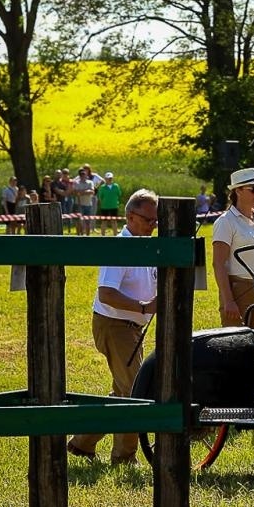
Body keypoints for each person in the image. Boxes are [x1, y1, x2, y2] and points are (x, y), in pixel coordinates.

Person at [68, 189, 160, 466]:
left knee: (123, 392)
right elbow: (106, 293)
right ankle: (124, 457)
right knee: (135, 392)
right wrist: (145, 307)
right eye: (148, 220)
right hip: (115, 325)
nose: (153, 226)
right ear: (131, 217)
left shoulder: (144, 245)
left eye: (157, 220)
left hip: (130, 327)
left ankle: (82, 444)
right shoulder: (120, 248)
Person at [210, 167, 254, 328]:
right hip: (238, 288)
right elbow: (219, 264)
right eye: (253, 189)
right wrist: (228, 300)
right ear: (237, 191)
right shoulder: (226, 222)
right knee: (236, 343)